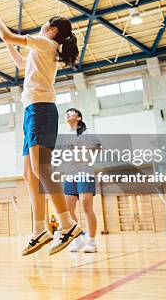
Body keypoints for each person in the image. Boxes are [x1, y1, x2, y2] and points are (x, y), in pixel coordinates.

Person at [0, 1, 83, 256]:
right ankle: (40, 228)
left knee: (41, 168)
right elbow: (21, 63)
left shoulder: (45, 42)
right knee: (28, 172)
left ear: (51, 29)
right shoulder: (43, 49)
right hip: (33, 110)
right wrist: (8, 43)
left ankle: (67, 223)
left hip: (41, 109)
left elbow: (8, 34)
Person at [62, 108, 100, 253]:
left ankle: (91, 241)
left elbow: (97, 148)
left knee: (86, 206)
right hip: (69, 174)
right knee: (68, 209)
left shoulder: (86, 133)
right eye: (67, 112)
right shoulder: (65, 136)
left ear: (79, 117)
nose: (68, 114)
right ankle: (78, 239)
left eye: (71, 112)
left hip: (84, 172)